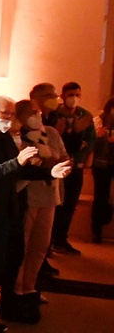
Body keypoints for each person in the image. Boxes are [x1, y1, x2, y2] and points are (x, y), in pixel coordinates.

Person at [0, 97, 71, 325]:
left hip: (4, 210)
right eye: (6, 115)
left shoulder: (4, 137)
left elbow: (16, 171)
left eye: (12, 115)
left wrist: (49, 173)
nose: (10, 119)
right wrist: (15, 163)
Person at [0, 101, 69, 323]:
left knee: (40, 245)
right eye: (32, 113)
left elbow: (63, 156)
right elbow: (24, 166)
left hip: (49, 196)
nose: (37, 116)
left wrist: (55, 162)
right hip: (29, 196)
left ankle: (30, 288)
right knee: (24, 245)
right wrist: (43, 164)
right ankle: (16, 289)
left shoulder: (49, 132)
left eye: (38, 112)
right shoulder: (17, 137)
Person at [49, 81, 95, 253]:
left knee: (70, 204)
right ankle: (50, 240)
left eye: (77, 95)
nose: (74, 99)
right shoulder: (54, 115)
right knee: (56, 204)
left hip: (76, 166)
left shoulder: (85, 116)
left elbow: (90, 141)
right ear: (63, 96)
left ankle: (62, 239)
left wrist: (83, 153)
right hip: (57, 165)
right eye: (70, 95)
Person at [92, 98, 114, 243]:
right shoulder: (98, 121)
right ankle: (97, 231)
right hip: (101, 164)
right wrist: (100, 138)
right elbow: (90, 142)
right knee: (101, 196)